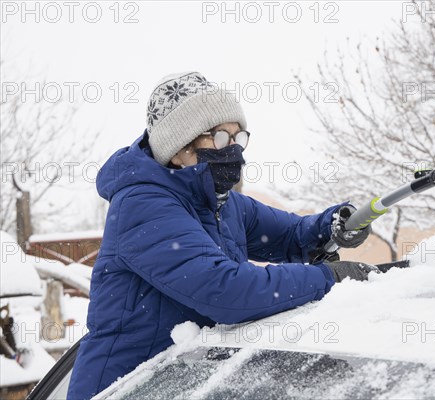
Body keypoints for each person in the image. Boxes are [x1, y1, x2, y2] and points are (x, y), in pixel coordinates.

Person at [67, 71, 377, 399]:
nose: (232, 149)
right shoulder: (142, 205)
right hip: (124, 388)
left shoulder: (222, 202)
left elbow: (292, 236)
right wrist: (328, 278)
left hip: (183, 383)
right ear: (177, 149)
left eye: (237, 137)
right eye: (218, 137)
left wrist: (334, 224)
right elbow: (226, 292)